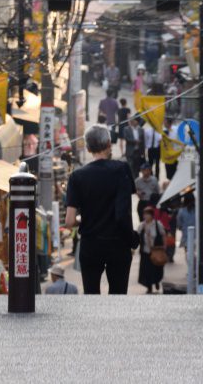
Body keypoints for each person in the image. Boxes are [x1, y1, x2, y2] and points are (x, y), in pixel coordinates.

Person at [64, 125, 135, 294]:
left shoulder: (76, 177)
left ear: (88, 148)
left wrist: (85, 219)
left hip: (91, 244)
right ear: (109, 144)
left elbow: (69, 221)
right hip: (118, 243)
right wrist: (132, 238)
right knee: (118, 296)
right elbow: (124, 212)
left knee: (91, 295)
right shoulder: (122, 169)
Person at [137, 206, 167, 293]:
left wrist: (165, 246)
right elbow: (137, 236)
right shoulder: (142, 226)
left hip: (156, 251)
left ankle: (157, 281)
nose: (145, 216)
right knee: (146, 270)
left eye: (147, 214)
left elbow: (163, 234)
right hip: (145, 252)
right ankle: (149, 287)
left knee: (157, 269)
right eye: (144, 214)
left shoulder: (158, 224)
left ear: (151, 215)